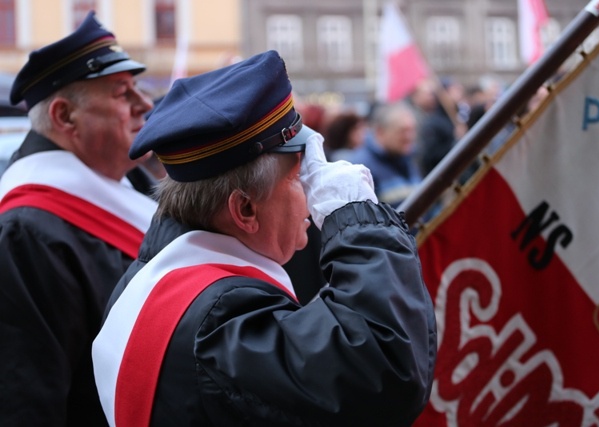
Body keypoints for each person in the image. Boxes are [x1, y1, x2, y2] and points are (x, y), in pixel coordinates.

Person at [93, 50, 437, 427]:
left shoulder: (152, 277)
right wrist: (354, 212)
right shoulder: (219, 323)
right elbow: (386, 370)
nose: (310, 192)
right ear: (245, 210)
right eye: (298, 178)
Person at [0, 12, 157, 427]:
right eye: (122, 93)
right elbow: (27, 393)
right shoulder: (26, 230)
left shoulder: (132, 184)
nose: (145, 104)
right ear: (65, 117)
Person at [346, 101, 423, 209]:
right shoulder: (361, 168)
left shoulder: (408, 157)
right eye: (403, 131)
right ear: (380, 132)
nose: (409, 137)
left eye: (412, 130)